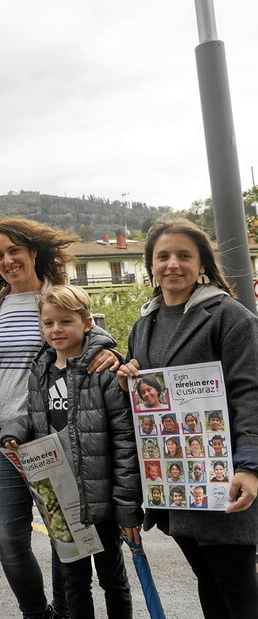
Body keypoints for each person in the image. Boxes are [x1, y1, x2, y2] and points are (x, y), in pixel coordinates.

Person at [0, 218, 118, 619]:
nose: (7, 260)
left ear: (33, 252)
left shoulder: (55, 295)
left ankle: (68, 612)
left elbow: (90, 331)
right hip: (5, 436)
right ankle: (38, 613)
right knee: (8, 539)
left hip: (53, 433)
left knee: (62, 537)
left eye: (14, 250)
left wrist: (111, 350)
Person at [118, 217, 258, 618]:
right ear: (150, 265)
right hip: (176, 480)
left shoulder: (230, 317)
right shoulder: (145, 323)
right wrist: (128, 376)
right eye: (163, 256)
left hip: (223, 474)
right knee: (209, 582)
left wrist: (250, 467)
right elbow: (145, 395)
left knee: (238, 592)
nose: (172, 264)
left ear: (202, 264)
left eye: (184, 255)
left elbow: (251, 394)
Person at [1, 285, 142, 619]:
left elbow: (124, 440)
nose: (56, 330)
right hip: (58, 499)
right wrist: (14, 431)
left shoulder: (104, 370)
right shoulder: (41, 370)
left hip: (101, 499)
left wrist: (126, 506)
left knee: (113, 580)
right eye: (48, 323)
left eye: (65, 321)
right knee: (72, 583)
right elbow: (36, 417)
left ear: (87, 322)